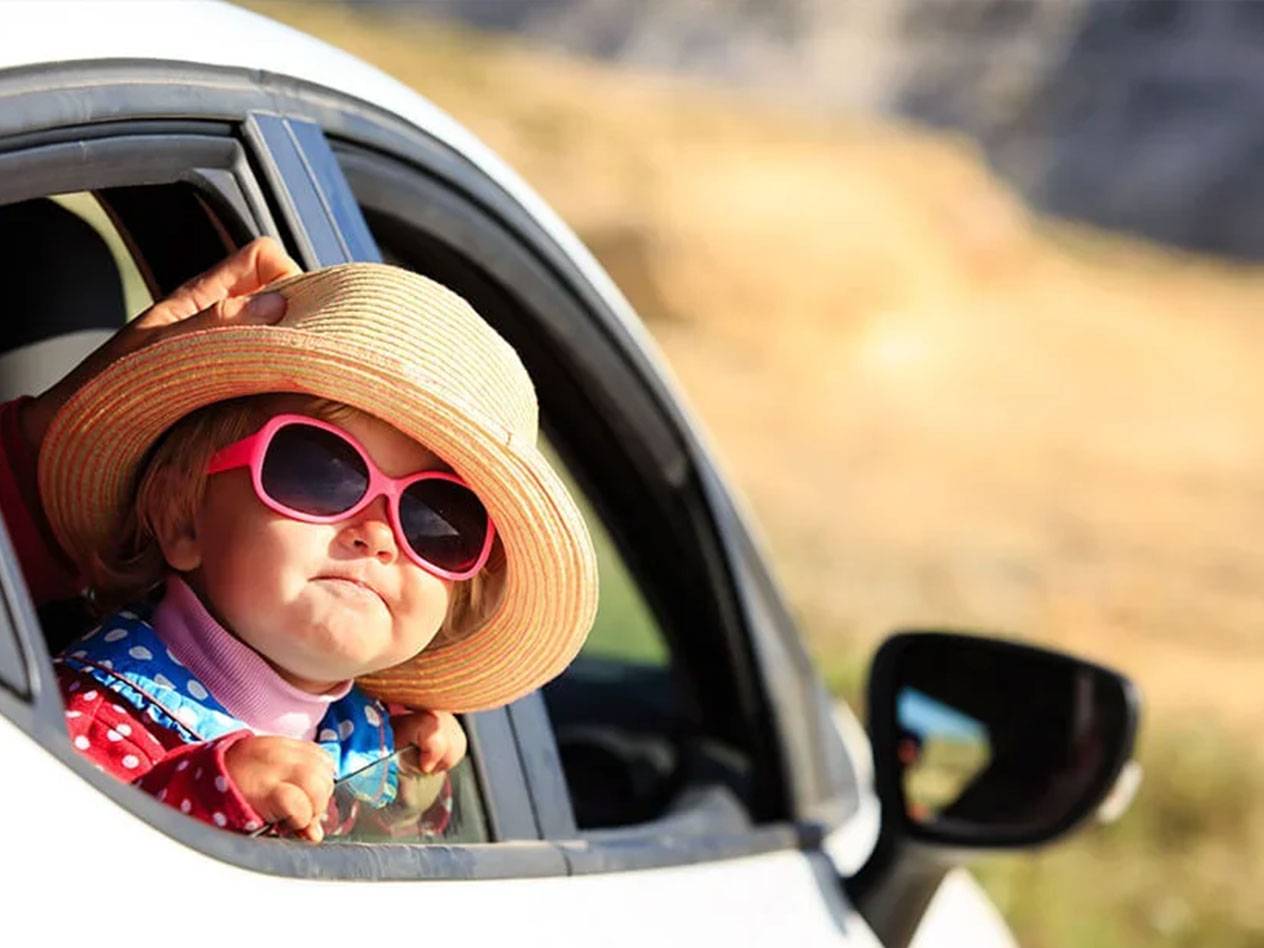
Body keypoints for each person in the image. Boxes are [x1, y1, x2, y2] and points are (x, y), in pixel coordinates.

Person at [16, 255, 600, 842]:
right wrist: (204, 795)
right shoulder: (81, 723)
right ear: (182, 519)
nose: (378, 534)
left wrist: (399, 768)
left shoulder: (363, 732)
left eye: (438, 521)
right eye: (320, 473)